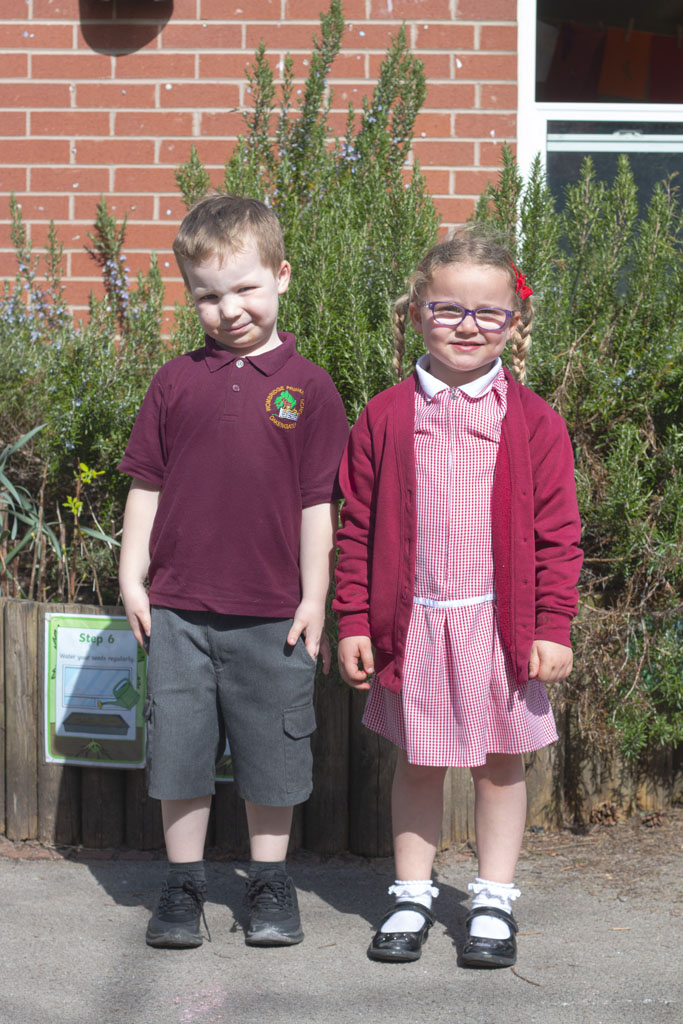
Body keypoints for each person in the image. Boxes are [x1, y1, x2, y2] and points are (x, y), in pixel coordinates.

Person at [334, 231, 582, 967]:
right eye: (447, 309)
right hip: (416, 627)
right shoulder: (382, 415)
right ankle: (411, 896)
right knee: (416, 762)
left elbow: (557, 536)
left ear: (515, 323)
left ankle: (492, 901)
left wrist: (552, 625)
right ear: (415, 314)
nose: (467, 325)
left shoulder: (533, 421)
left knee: (500, 764)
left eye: (488, 313)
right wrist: (354, 619)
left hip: (497, 627)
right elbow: (355, 530)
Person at [118, 193, 349, 950]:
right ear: (191, 297)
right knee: (179, 750)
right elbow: (145, 486)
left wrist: (316, 598)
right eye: (208, 295)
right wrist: (132, 578)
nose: (229, 308)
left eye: (245, 287)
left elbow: (319, 505)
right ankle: (182, 883)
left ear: (281, 277)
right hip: (180, 609)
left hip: (273, 613)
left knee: (272, 753)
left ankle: (269, 881)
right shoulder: (173, 382)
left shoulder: (310, 389)